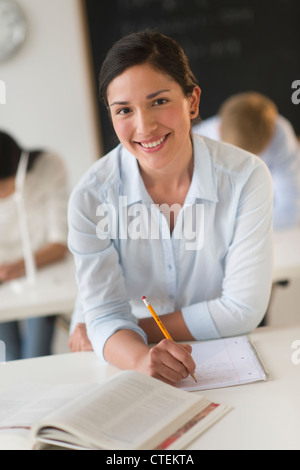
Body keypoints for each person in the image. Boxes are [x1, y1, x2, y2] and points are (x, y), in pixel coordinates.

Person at [68, 31, 273, 385]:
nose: (145, 126)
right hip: (124, 365)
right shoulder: (91, 197)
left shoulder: (245, 177)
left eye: (159, 101)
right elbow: (101, 315)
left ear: (192, 102)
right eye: (124, 111)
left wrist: (123, 334)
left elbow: (242, 310)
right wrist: (135, 354)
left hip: (215, 360)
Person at [0, 131, 68, 360]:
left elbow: (59, 242)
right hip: (2, 279)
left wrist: (17, 267)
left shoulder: (48, 167)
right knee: (10, 355)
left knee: (37, 352)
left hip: (43, 269)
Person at [193, 92, 300, 231]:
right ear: (218, 130)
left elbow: (291, 211)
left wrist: (240, 226)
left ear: (269, 141)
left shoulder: (280, 133)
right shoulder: (197, 141)